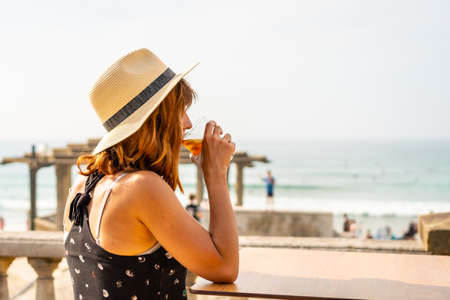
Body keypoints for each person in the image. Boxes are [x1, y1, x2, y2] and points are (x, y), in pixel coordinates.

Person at [63, 49, 238, 300]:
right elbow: (225, 267)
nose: (188, 123)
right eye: (181, 109)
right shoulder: (142, 188)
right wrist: (215, 174)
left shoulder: (84, 183)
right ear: (156, 118)